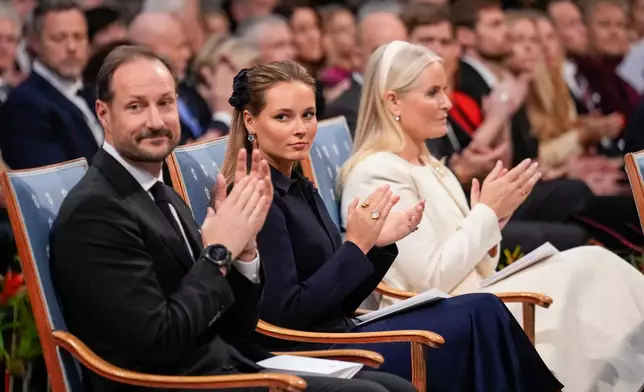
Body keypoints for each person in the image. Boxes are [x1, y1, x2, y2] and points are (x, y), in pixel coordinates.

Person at [50, 44, 416, 392]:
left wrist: (244, 260)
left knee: (393, 386)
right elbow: (157, 342)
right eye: (135, 106)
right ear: (103, 113)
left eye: (165, 103)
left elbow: (235, 322)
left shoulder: (160, 192)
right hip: (186, 383)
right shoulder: (96, 211)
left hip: (228, 366)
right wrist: (219, 253)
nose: (155, 120)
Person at [220, 60, 563, 391]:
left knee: (482, 308)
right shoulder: (256, 194)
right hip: (311, 351)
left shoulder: (296, 183)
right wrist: (355, 246)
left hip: (340, 328)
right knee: (476, 318)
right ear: (250, 121)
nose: (301, 128)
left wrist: (376, 245)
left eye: (308, 115)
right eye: (283, 117)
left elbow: (341, 297)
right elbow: (287, 314)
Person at [340, 40, 644, 392]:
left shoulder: (427, 162)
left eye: (446, 91)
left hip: (475, 295)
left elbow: (474, 262)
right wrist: (485, 213)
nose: (447, 104)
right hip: (447, 316)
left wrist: (493, 222)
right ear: (392, 100)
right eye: (433, 93)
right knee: (586, 268)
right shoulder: (378, 172)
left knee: (591, 263)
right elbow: (430, 280)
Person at [0, 0, 102, 169]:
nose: (71, 47)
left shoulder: (94, 93)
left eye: (79, 37)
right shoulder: (25, 105)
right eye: (59, 38)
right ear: (34, 43)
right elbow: (55, 185)